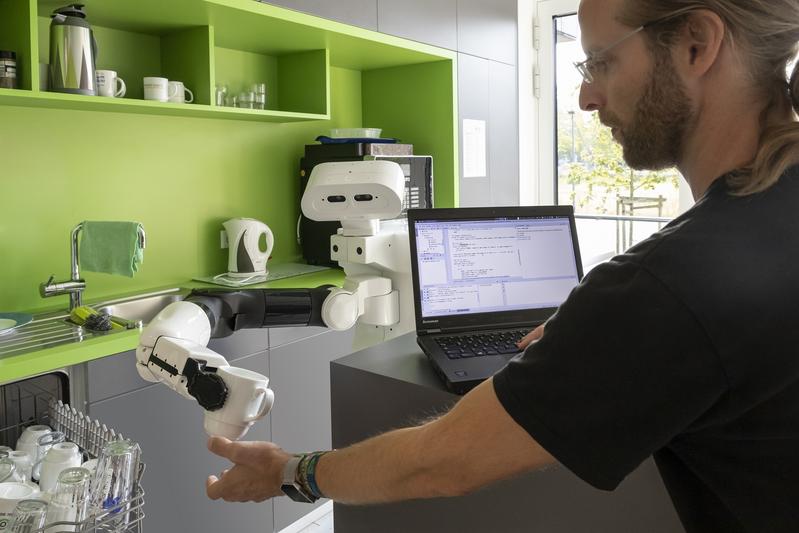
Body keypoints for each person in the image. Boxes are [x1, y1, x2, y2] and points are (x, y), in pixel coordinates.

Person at [205, 0, 799, 531]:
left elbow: (444, 460)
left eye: (600, 63)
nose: (588, 97)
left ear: (697, 43)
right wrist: (596, 334)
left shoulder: (673, 282)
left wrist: (291, 471)